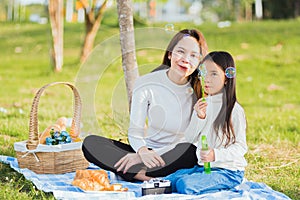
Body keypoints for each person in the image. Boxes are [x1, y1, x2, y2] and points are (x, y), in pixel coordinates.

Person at [82, 29, 208, 181]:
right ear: (170, 54)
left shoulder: (202, 91)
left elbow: (191, 138)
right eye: (181, 52)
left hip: (175, 155)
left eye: (193, 55)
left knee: (190, 150)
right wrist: (142, 152)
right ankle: (145, 176)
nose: (186, 59)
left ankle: (135, 172)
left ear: (199, 61)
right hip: (147, 152)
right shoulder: (146, 83)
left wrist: (141, 158)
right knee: (91, 143)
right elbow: (135, 131)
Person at [164, 51, 247, 194]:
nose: (207, 79)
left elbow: (241, 147)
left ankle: (221, 186)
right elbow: (190, 138)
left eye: (214, 74)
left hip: (228, 172)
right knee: (169, 181)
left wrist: (216, 154)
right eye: (204, 73)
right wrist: (199, 117)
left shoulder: (234, 110)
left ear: (227, 78)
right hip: (205, 168)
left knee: (184, 185)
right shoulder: (203, 105)